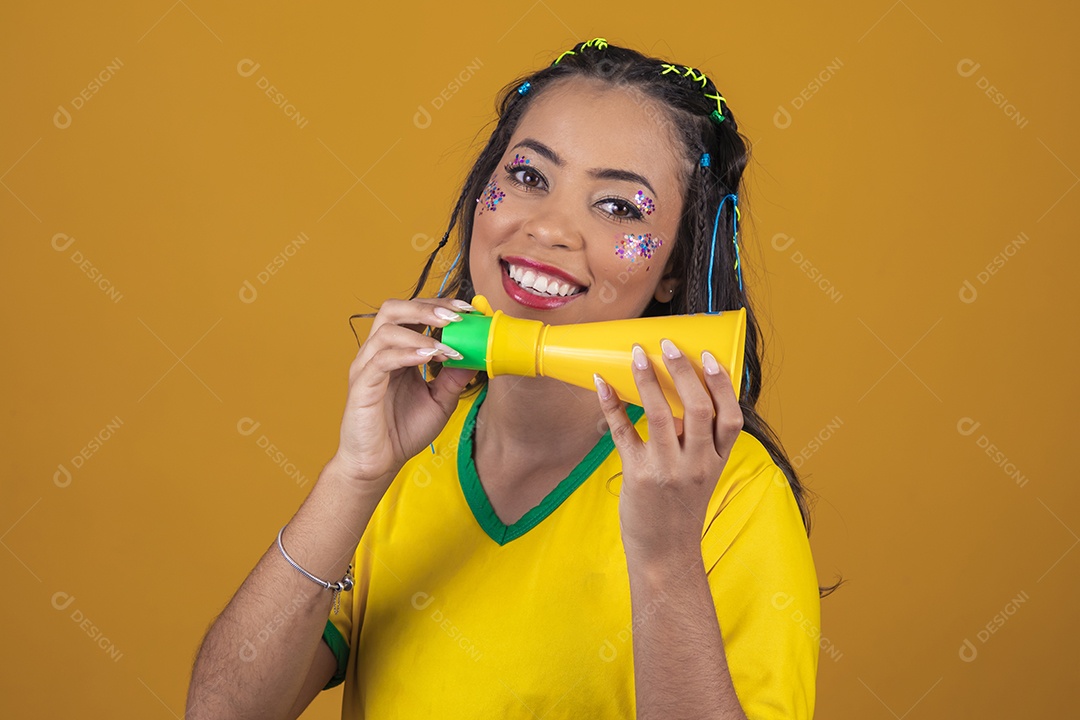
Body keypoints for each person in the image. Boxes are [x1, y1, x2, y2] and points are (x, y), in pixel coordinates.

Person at [186, 38, 835, 720]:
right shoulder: (406, 464)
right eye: (528, 176)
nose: (550, 228)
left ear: (673, 267)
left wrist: (667, 557)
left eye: (618, 207)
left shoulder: (728, 493)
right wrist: (355, 475)